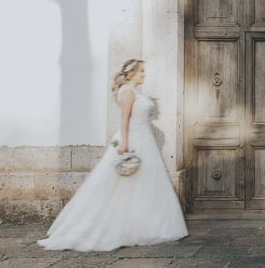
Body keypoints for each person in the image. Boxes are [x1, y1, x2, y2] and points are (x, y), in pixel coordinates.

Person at [38, 59, 188, 251]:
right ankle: (108, 227)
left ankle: (141, 225)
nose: (144, 74)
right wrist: (125, 144)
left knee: (143, 184)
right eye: (141, 71)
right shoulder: (127, 92)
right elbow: (124, 120)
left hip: (144, 140)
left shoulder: (136, 92)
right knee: (122, 183)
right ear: (131, 73)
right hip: (133, 140)